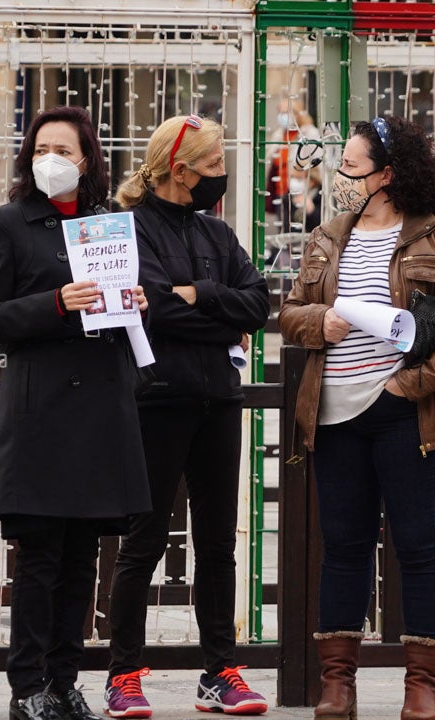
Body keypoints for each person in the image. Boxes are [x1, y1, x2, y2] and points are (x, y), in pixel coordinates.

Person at [278, 115, 435, 720]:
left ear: (387, 175)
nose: (339, 175)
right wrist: (321, 323)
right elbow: (291, 312)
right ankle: (337, 684)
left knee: (420, 544)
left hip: (407, 414)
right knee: (343, 547)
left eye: (350, 165)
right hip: (334, 414)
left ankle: (422, 687)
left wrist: (412, 384)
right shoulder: (326, 236)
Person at [0, 106, 152, 720]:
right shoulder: (8, 224)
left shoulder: (108, 225)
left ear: (87, 160)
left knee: (82, 560)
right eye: (41, 147)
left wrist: (135, 301)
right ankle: (28, 687)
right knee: (41, 558)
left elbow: (126, 316)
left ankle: (66, 680)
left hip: (101, 410)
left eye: (65, 149)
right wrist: (55, 301)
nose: (52, 158)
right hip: (43, 411)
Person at [106, 115, 270, 718]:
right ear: (181, 171)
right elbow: (152, 313)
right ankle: (123, 672)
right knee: (142, 542)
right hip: (157, 401)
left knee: (218, 544)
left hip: (218, 403)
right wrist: (214, 311)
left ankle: (219, 671)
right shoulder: (132, 228)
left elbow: (259, 304)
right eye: (214, 164)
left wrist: (198, 294)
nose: (221, 173)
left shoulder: (218, 235)